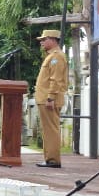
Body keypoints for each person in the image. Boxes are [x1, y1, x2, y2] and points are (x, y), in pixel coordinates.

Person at [31, 29, 69, 168]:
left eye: (44, 39)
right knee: (47, 130)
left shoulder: (56, 57)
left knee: (51, 130)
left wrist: (50, 98)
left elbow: (56, 79)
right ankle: (49, 159)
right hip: (46, 98)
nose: (41, 42)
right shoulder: (52, 56)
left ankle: (53, 160)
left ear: (53, 40)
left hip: (49, 99)